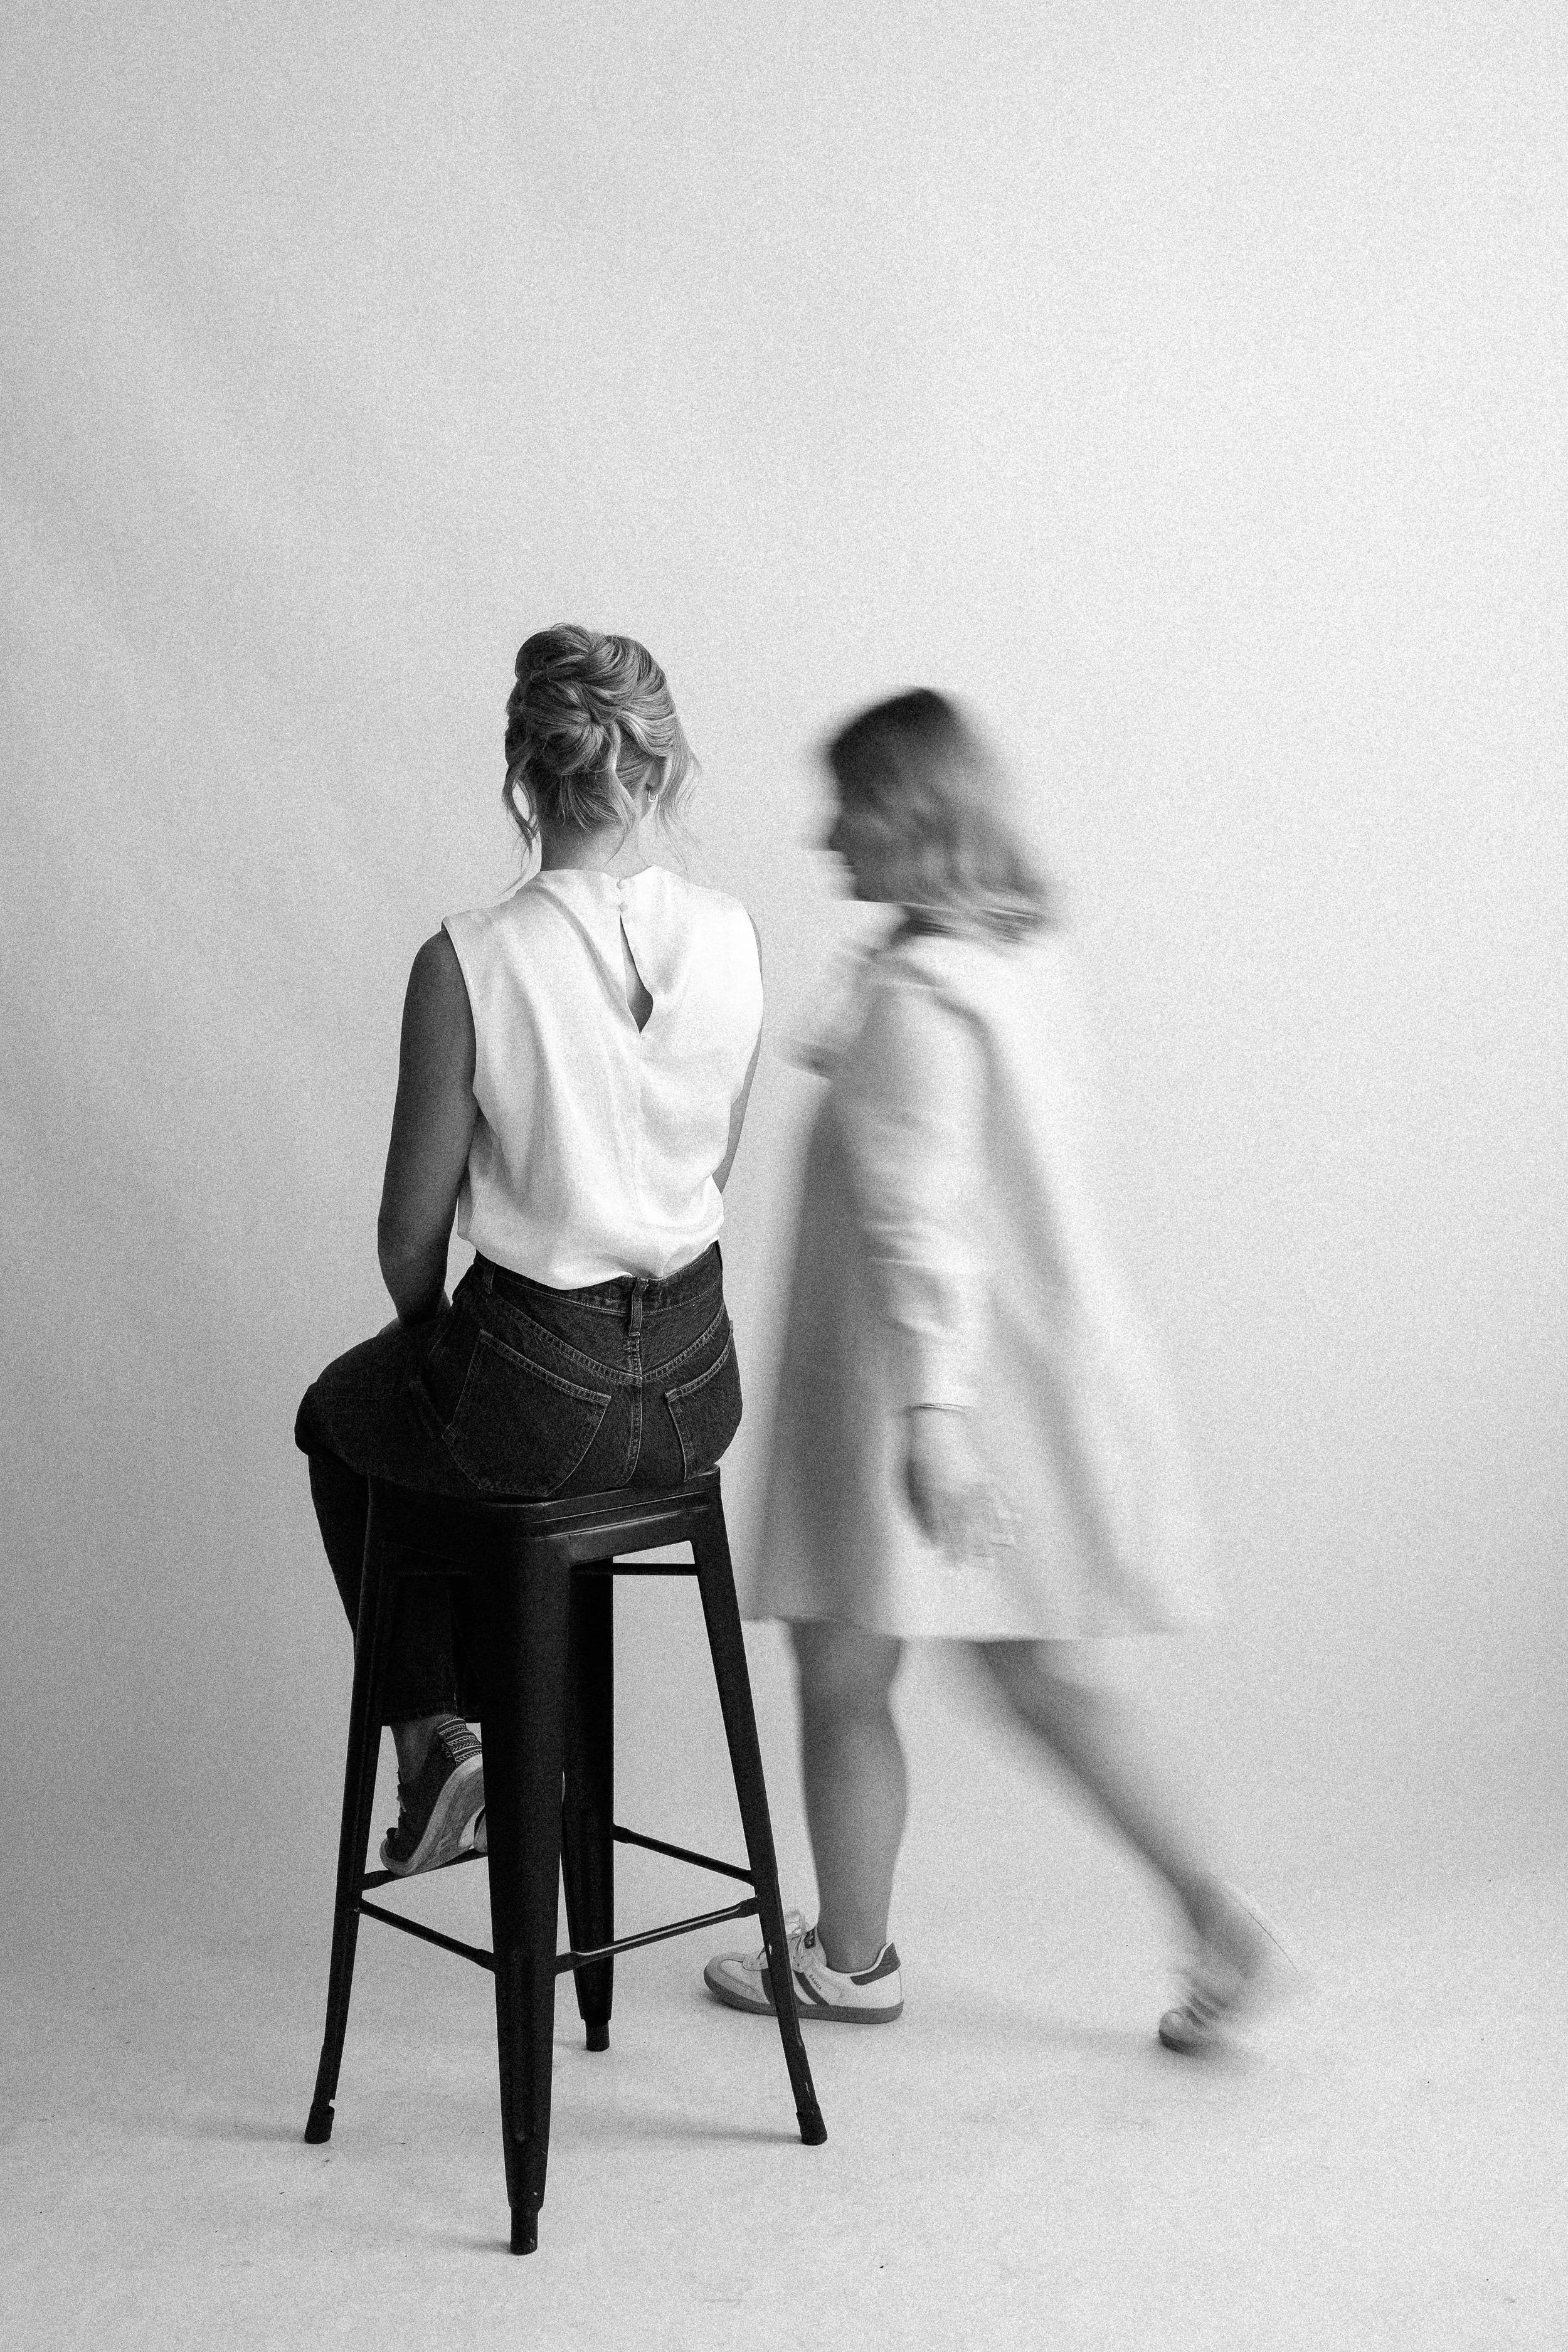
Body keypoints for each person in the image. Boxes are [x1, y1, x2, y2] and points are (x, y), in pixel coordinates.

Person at [702, 689, 1285, 2052]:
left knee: (844, 1668)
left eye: (840, 799)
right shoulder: (1013, 963)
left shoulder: (916, 997)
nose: (818, 829)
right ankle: (1212, 1912)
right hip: (1017, 1381)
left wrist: (931, 1421)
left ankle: (850, 1961)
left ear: (901, 811)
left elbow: (919, 1219)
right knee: (1036, 1676)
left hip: (918, 1394)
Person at [296, 625, 763, 1877]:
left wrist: (426, 1335)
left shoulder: (467, 959)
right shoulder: (733, 939)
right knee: (456, 1427)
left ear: (522, 779)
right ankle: (507, 1765)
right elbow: (710, 1174)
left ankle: (440, 1744)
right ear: (659, 773)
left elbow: (409, 1233)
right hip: (697, 1397)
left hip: (532, 1388)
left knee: (347, 1419)